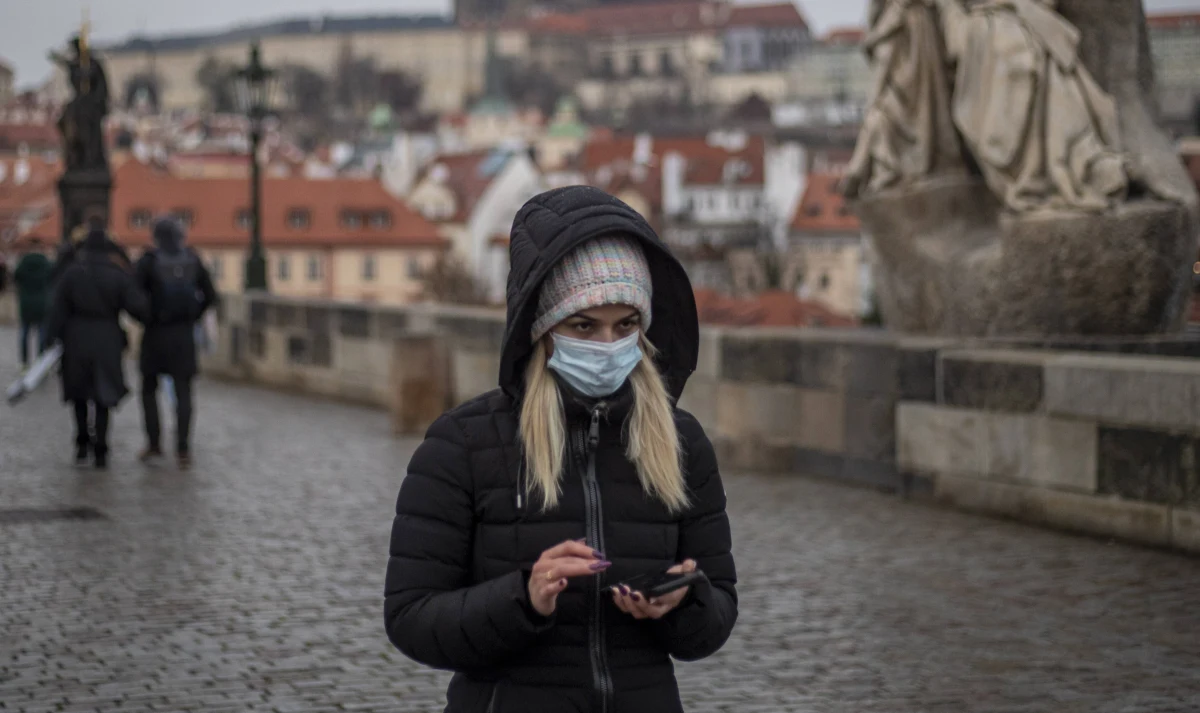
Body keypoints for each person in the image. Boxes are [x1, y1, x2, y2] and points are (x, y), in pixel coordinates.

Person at [384, 186, 737, 713]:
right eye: (583, 325)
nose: (607, 345)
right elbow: (410, 618)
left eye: (626, 325)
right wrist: (522, 597)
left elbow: (716, 618)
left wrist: (683, 602)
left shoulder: (680, 443)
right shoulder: (462, 445)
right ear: (543, 330)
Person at [43, 226, 148, 469]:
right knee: (104, 394)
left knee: (78, 393)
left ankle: (81, 442)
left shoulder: (72, 273)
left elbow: (58, 309)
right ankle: (101, 448)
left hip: (76, 337)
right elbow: (137, 307)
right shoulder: (117, 273)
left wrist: (51, 338)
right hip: (107, 338)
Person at [134, 217, 217, 469]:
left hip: (156, 333)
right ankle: (183, 448)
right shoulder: (192, 259)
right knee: (184, 392)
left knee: (149, 389)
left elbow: (133, 295)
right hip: (183, 335)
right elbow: (211, 296)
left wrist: (147, 317)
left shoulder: (148, 261)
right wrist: (193, 315)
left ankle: (154, 443)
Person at [13, 238, 54, 371]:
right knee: (42, 333)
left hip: (26, 302)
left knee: (25, 333)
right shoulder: (46, 262)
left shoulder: (23, 262)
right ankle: (41, 361)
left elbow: (16, 277)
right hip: (42, 302)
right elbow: (52, 277)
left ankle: (24, 362)